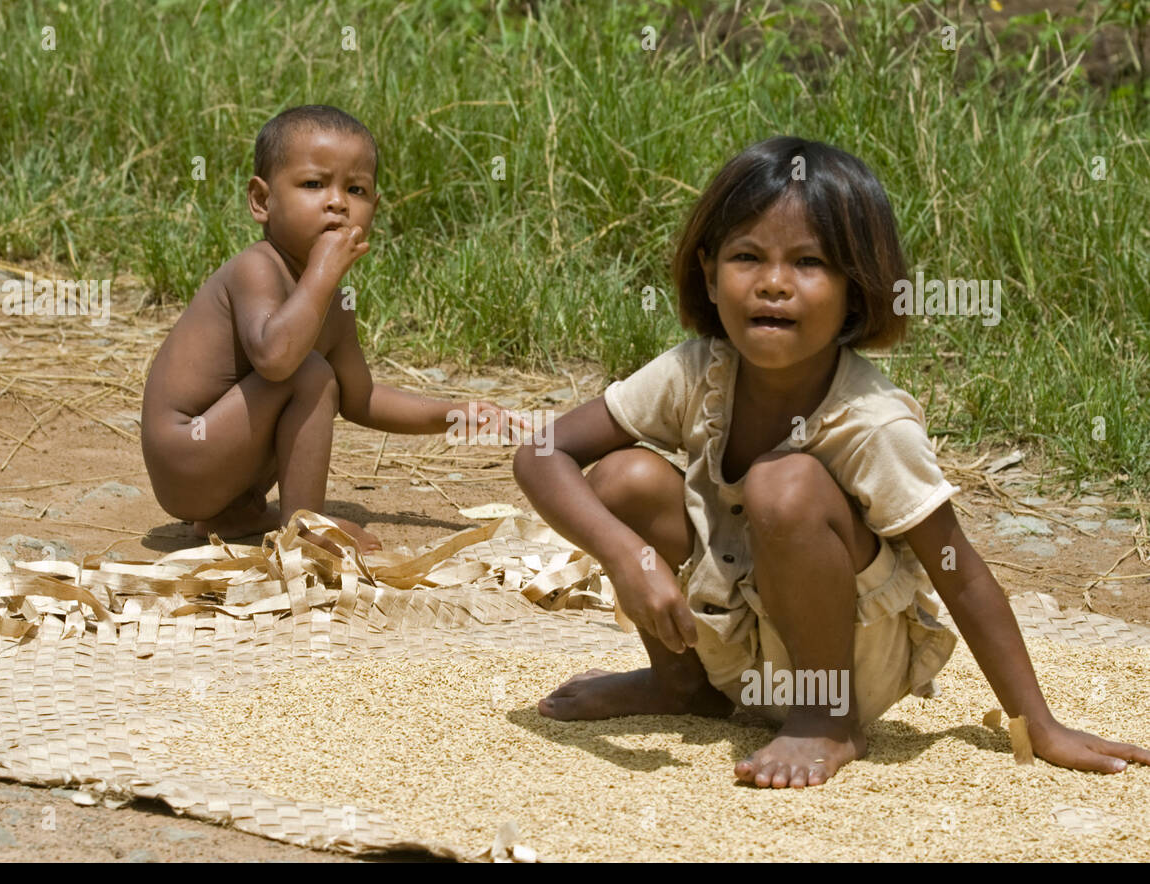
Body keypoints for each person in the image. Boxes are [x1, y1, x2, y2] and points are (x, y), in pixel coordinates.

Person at [513, 136, 1150, 788]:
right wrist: (629, 554)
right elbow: (541, 452)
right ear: (708, 273)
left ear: (856, 289)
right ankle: (682, 685)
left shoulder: (873, 421)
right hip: (731, 639)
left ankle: (827, 721)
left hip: (852, 659)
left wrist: (1038, 724)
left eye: (809, 262)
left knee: (783, 486)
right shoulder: (695, 371)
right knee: (625, 479)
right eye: (747, 257)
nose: (773, 283)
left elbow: (958, 569)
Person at [142, 105, 526, 555]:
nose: (338, 202)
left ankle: (236, 514)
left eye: (356, 189)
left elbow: (359, 398)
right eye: (313, 184)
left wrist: (454, 412)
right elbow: (276, 357)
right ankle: (302, 531)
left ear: (375, 209)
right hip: (188, 456)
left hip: (224, 480)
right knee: (308, 372)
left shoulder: (334, 300)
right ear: (262, 201)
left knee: (316, 374)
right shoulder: (256, 269)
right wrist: (321, 276)